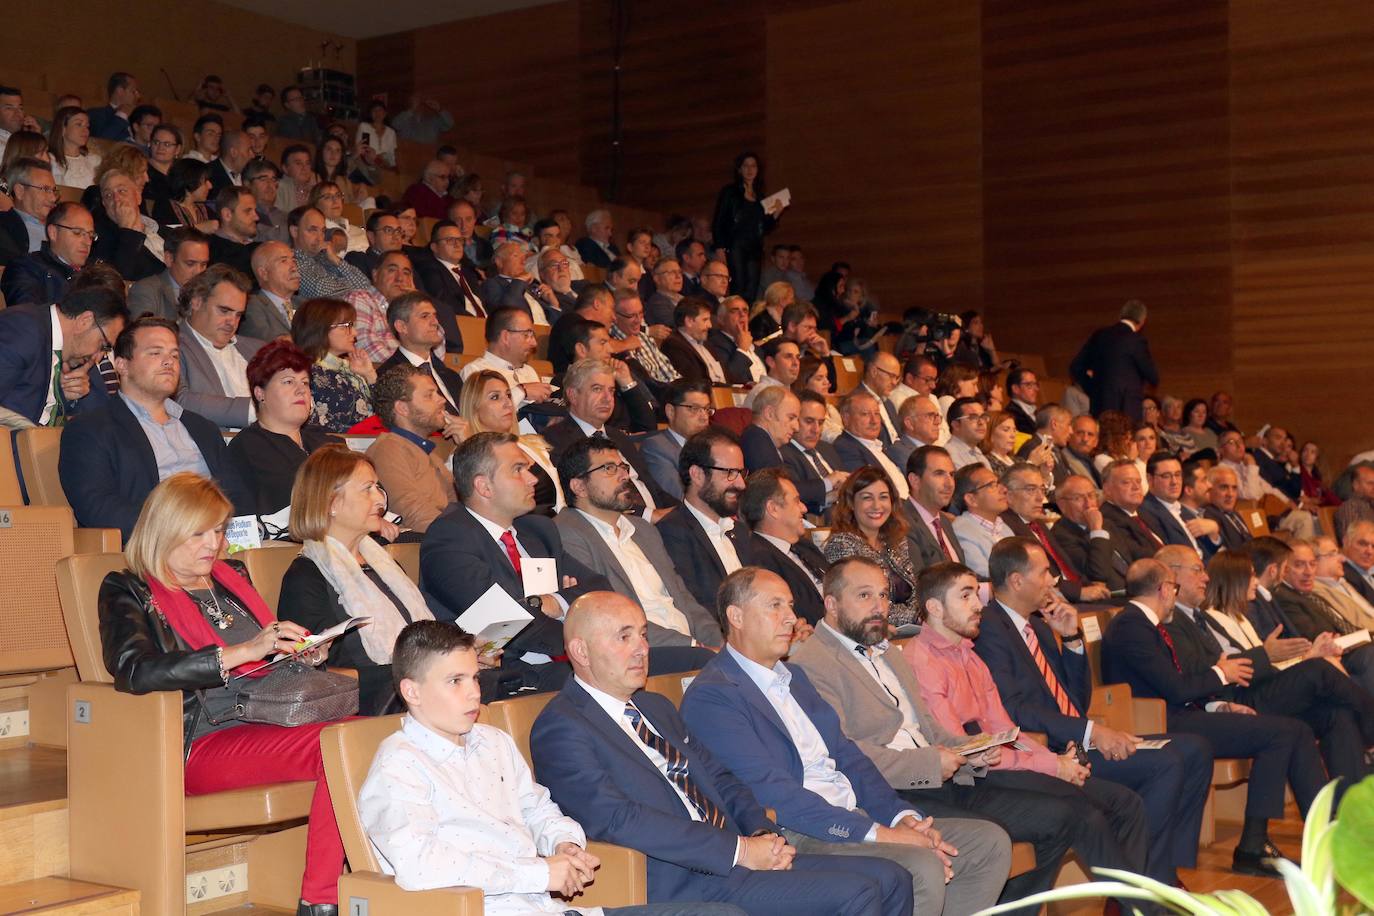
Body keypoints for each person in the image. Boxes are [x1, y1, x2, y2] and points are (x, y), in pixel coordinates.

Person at [531, 591, 915, 915]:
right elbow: (617, 819)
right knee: (859, 892)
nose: (642, 650)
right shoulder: (563, 726)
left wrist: (761, 833)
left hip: (739, 856)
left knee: (892, 877)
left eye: (644, 635)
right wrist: (738, 850)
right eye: (624, 637)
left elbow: (720, 778)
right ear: (580, 650)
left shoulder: (657, 708)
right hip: (684, 877)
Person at [682, 567, 1011, 915]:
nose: (791, 617)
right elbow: (775, 795)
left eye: (791, 605)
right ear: (736, 616)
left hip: (857, 815)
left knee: (988, 845)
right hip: (801, 832)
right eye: (775, 606)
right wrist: (882, 834)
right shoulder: (714, 696)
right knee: (921, 864)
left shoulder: (795, 677)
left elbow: (850, 758)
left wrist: (901, 817)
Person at [359, 622, 740, 916]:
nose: (474, 693)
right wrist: (540, 873)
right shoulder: (399, 765)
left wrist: (565, 844)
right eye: (455, 682)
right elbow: (421, 866)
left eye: (474, 677)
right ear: (412, 691)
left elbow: (538, 808)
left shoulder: (492, 742)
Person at [97, 472, 344, 914]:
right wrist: (237, 653)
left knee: (376, 739)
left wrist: (303, 654)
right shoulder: (128, 589)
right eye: (198, 532)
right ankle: (321, 901)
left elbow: (263, 660)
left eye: (219, 530)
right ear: (165, 529)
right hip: (202, 738)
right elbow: (133, 671)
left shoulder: (231, 578)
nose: (213, 543)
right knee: (343, 747)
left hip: (269, 719)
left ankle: (354, 884)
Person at [790, 556, 1081, 911]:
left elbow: (929, 729)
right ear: (831, 603)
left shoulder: (889, 655)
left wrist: (974, 750)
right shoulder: (812, 664)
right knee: (995, 835)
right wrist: (932, 762)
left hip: (944, 776)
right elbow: (848, 755)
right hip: (892, 791)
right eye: (864, 596)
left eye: (883, 596)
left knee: (1061, 817)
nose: (879, 606)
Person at [904, 560, 1155, 892]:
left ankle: (1130, 906)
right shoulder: (923, 662)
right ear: (934, 607)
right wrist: (1054, 766)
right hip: (973, 777)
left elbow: (1006, 729)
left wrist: (1059, 764)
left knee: (1125, 804)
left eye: (976, 595)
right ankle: (1143, 906)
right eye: (966, 596)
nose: (978, 605)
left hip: (999, 763)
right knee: (1081, 814)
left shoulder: (969, 656)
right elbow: (966, 750)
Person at [973, 540, 1213, 887]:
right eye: (1044, 572)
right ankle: (1151, 882)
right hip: (1050, 750)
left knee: (1194, 750)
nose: (1053, 581)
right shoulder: (991, 629)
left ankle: (1158, 870)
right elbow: (1015, 710)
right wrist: (1092, 732)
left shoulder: (1037, 626)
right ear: (1016, 580)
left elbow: (1074, 699)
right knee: (1166, 763)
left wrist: (1071, 639)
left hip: (1075, 738)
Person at [1101, 558, 1328, 875]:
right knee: (1283, 732)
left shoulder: (1141, 624)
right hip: (1159, 721)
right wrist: (1221, 673)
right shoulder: (1131, 625)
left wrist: (1218, 705)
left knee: (1291, 730)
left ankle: (1299, 839)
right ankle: (1259, 846)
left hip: (1182, 713)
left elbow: (1175, 686)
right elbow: (1175, 688)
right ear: (1165, 589)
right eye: (1175, 588)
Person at [1173, 547, 1374, 802]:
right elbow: (1231, 667)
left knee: (1337, 714)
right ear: (1235, 579)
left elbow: (1263, 665)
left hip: (1258, 688)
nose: (1256, 582)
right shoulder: (1213, 617)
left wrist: (1300, 656)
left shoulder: (1233, 618)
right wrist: (1275, 655)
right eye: (1251, 575)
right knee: (1319, 670)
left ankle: (1352, 809)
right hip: (1241, 698)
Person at [420, 432, 610, 696]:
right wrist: (581, 633)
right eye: (518, 469)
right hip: (512, 677)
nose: (533, 479)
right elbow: (508, 621)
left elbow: (600, 589)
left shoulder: (538, 530)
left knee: (682, 662)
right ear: (484, 487)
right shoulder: (449, 539)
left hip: (566, 665)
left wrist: (552, 602)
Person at [58, 315, 252, 540]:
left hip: (219, 544)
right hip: (154, 548)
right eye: (155, 353)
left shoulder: (203, 429)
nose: (169, 361)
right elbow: (98, 508)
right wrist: (178, 530)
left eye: (174, 355)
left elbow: (237, 496)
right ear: (122, 365)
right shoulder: (90, 430)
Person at [278, 446, 437, 715]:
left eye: (379, 488)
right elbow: (314, 675)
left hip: (416, 686)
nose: (380, 500)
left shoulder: (384, 564)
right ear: (331, 503)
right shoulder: (306, 577)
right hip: (371, 702)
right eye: (367, 489)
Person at [555, 435, 724, 654]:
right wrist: (694, 647)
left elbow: (684, 599)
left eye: (623, 467)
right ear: (579, 486)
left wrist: (719, 642)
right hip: (641, 652)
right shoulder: (566, 533)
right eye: (609, 468)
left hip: (691, 648)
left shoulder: (644, 530)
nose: (625, 476)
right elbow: (609, 614)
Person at [541, 358, 674, 513]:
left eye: (611, 390)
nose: (607, 398)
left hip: (658, 520)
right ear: (573, 395)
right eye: (597, 389)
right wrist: (648, 515)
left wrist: (683, 512)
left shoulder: (619, 437)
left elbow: (653, 489)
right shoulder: (555, 440)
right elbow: (587, 500)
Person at [226, 340, 338, 517]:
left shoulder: (327, 441)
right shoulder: (246, 449)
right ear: (260, 393)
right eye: (288, 382)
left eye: (305, 383)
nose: (301, 390)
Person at [0, 284, 127, 425]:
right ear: (85, 321)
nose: (98, 357)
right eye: (104, 345)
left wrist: (64, 395)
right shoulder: (21, 329)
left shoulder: (64, 351)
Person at [655, 429, 753, 611]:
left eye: (741, 472)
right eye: (730, 472)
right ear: (697, 475)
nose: (741, 484)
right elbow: (696, 609)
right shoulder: (671, 533)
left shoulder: (739, 531)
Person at [365, 365, 462, 534]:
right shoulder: (387, 450)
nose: (442, 400)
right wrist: (468, 536)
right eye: (429, 395)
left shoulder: (427, 452)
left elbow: (460, 506)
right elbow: (413, 513)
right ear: (402, 408)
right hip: (430, 546)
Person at [822, 467, 921, 625]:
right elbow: (862, 604)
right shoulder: (842, 544)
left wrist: (921, 615)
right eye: (867, 498)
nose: (877, 506)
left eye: (883, 497)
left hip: (910, 628)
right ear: (851, 503)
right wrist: (918, 618)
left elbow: (914, 591)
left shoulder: (896, 539)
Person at [998, 464, 1109, 602]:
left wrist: (1092, 586)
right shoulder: (1005, 527)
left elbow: (1068, 571)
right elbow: (1031, 578)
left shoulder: (1038, 524)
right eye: (1031, 489)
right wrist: (1079, 592)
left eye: (1042, 489)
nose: (1040, 498)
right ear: (1007, 495)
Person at [460, 369, 564, 516]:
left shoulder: (533, 445)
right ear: (474, 408)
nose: (507, 403)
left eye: (508, 395)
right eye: (495, 397)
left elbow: (560, 502)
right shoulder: (465, 459)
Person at [175, 263, 263, 429]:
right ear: (197, 302)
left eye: (238, 315)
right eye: (224, 311)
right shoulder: (172, 345)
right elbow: (178, 400)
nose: (232, 322)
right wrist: (257, 409)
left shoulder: (259, 350)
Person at [740, 468, 830, 626]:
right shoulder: (760, 561)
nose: (804, 508)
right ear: (773, 509)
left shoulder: (804, 546)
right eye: (796, 501)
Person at [292, 297, 376, 433]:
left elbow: (388, 413)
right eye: (347, 326)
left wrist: (369, 375)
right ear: (321, 328)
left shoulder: (349, 367)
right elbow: (316, 426)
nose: (355, 333)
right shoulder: (305, 373)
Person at [375, 291, 465, 415]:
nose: (435, 322)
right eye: (424, 316)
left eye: (435, 316)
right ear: (402, 327)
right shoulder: (388, 376)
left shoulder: (452, 377)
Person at [1069, 299, 1159, 422]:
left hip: (1100, 406)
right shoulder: (1136, 340)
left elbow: (1076, 367)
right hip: (1127, 409)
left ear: (1120, 315)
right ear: (1142, 321)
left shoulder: (1099, 335)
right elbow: (1152, 376)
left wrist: (1093, 388)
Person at [711, 152, 785, 301]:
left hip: (754, 247)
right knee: (738, 285)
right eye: (746, 166)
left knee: (752, 288)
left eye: (753, 166)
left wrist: (776, 214)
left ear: (758, 170)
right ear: (739, 169)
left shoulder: (760, 197)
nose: (750, 170)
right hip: (735, 244)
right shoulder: (730, 192)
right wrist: (719, 247)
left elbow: (764, 228)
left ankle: (746, 320)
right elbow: (719, 220)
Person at [460, 307, 555, 416]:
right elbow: (478, 417)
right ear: (506, 337)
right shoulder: (475, 371)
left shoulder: (529, 371)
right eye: (527, 335)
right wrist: (522, 391)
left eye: (533, 336)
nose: (534, 343)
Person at [1, 201, 93, 306]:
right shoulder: (26, 267)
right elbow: (27, 315)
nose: (87, 242)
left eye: (91, 235)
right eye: (77, 232)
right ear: (53, 233)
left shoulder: (97, 273)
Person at [639, 380, 714, 501]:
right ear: (671, 411)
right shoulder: (656, 447)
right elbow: (680, 497)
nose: (704, 417)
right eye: (694, 408)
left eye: (706, 409)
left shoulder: (712, 445)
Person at [1138, 452, 1222, 559]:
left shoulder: (1181, 509)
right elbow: (1168, 558)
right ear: (1150, 479)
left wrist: (1214, 531)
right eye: (1166, 476)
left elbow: (1208, 550)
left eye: (1177, 475)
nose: (1174, 482)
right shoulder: (1145, 512)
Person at [781, 390, 848, 516]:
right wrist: (828, 493)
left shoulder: (828, 449)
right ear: (794, 420)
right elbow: (793, 496)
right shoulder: (784, 453)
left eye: (821, 423)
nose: (816, 430)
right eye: (809, 421)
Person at [901, 446, 968, 570]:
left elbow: (962, 573)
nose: (949, 484)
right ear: (915, 480)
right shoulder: (902, 522)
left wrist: (992, 587)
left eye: (952, 475)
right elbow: (918, 582)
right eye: (939, 474)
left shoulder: (944, 521)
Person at [415, 211, 487, 326]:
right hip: (466, 326)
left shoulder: (468, 271)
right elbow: (445, 306)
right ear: (434, 247)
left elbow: (485, 303)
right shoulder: (429, 270)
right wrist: (478, 324)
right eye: (450, 240)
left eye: (459, 240)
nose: (457, 244)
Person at [346, 251, 416, 364]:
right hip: (390, 375)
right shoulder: (361, 298)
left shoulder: (409, 310)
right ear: (375, 275)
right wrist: (411, 369)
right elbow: (366, 347)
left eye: (406, 273)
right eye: (392, 270)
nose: (400, 278)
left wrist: (416, 301)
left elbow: (436, 348)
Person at [129, 227, 210, 321]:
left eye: (203, 264)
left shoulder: (210, 293)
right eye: (190, 264)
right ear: (169, 259)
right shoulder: (146, 291)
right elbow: (145, 333)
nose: (198, 272)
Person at [948, 465, 1012, 579]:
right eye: (992, 485)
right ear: (971, 499)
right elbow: (985, 575)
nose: (1004, 489)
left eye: (998, 483)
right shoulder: (962, 531)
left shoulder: (1005, 527)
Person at [660, 297, 729, 385]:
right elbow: (693, 381)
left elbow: (727, 376)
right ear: (689, 321)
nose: (710, 325)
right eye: (705, 320)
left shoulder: (707, 344)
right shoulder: (673, 345)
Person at [0, 157, 56, 265]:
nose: (53, 198)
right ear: (20, 191)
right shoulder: (4, 226)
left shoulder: (62, 223)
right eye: (45, 189)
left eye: (53, 190)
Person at [243, 240, 302, 340]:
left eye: (293, 260)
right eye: (283, 261)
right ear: (264, 273)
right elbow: (270, 344)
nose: (294, 268)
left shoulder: (304, 304)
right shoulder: (251, 305)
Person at [708, 295, 766, 384]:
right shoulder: (714, 344)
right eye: (734, 311)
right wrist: (742, 349)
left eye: (745, 311)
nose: (742, 314)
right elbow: (729, 378)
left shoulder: (758, 350)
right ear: (721, 319)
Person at [207, 186, 259, 276]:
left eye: (255, 211)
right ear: (227, 215)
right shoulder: (209, 252)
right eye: (248, 211)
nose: (257, 217)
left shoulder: (258, 248)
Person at [48, 107, 100, 189]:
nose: (85, 130)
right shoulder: (50, 160)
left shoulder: (94, 161)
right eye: (79, 124)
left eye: (87, 126)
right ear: (63, 129)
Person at [741, 339, 801, 409]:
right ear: (771, 362)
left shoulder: (792, 392)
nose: (796, 363)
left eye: (797, 357)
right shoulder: (762, 393)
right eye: (788, 357)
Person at [942, 397, 991, 471]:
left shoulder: (977, 451)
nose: (981, 422)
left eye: (983, 417)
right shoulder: (948, 455)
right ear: (956, 425)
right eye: (973, 417)